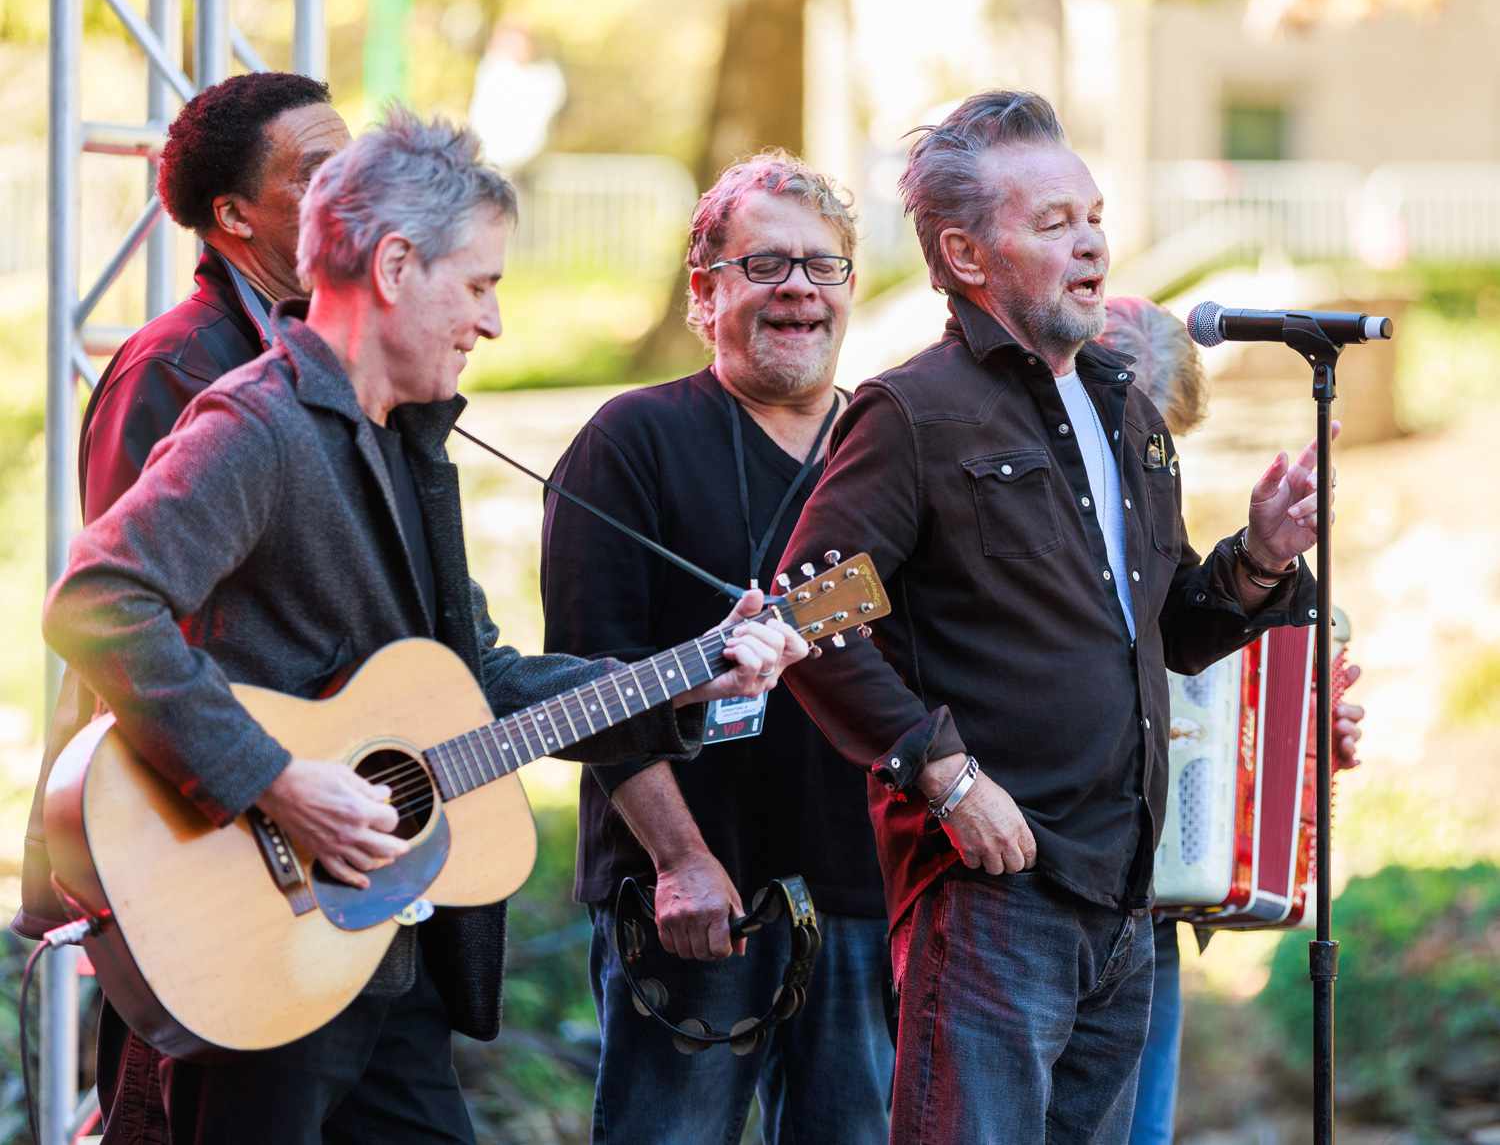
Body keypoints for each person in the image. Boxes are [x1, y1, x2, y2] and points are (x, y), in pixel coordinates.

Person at [41, 109, 806, 1145]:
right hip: (255, 939)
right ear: (396, 265)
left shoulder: (410, 446)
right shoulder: (255, 423)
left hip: (376, 947)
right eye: (480, 285)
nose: (490, 322)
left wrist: (692, 676)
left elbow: (478, 681)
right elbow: (97, 603)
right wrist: (275, 778)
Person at [776, 90, 1333, 1143]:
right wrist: (943, 777)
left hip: (1124, 893)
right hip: (994, 895)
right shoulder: (912, 413)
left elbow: (1161, 633)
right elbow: (812, 616)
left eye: (1094, 217)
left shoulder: (1125, 406)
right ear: (968, 254)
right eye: (1053, 225)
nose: (1092, 245)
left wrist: (1259, 561)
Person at [539, 150, 892, 1145]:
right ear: (705, 293)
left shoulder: (887, 444)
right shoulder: (628, 440)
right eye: (765, 265)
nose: (798, 291)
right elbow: (585, 683)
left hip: (865, 892)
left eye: (823, 268)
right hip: (695, 902)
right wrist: (679, 859)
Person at [16, 71, 352, 939]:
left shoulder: (341, 359)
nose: (353, 188)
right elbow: (120, 623)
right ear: (235, 216)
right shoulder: (174, 367)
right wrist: (266, 778)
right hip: (188, 833)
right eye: (318, 171)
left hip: (304, 810)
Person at [1098, 296, 1367, 1145]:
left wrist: (1305, 745)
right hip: (1027, 908)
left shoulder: (1168, 543)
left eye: (1160, 443)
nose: (1138, 463)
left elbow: (1228, 707)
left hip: (1150, 920)